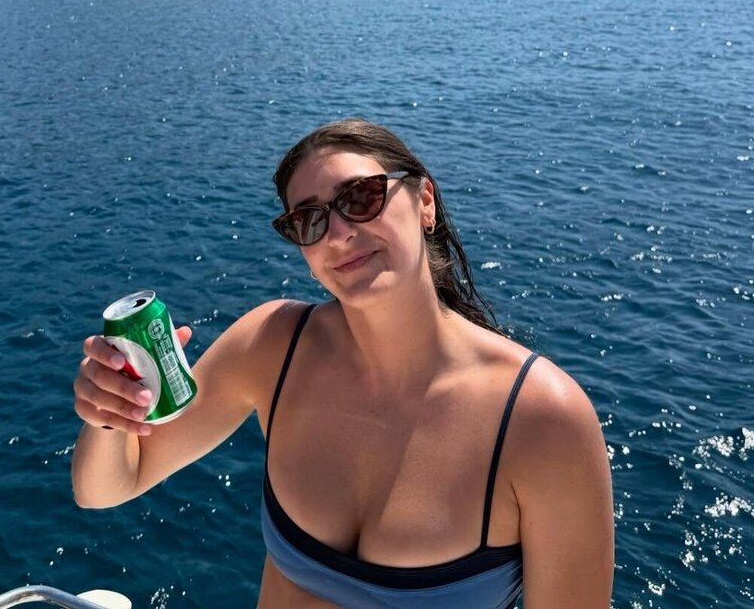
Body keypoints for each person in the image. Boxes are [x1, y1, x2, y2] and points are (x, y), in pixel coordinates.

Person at [72, 119, 614, 607]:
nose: (338, 233)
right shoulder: (273, 345)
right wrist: (109, 416)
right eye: (308, 220)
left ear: (424, 201)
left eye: (361, 197)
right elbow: (106, 488)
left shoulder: (541, 418)